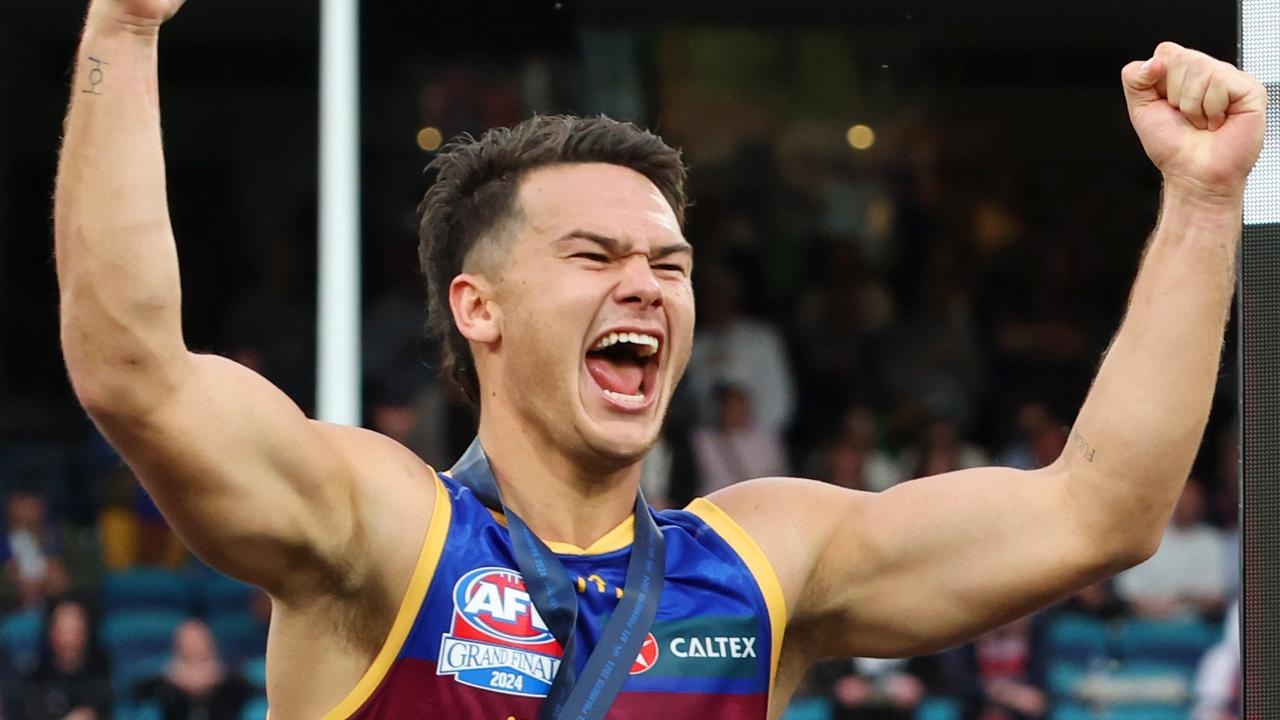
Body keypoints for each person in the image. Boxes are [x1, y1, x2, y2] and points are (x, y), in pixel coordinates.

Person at [52, 0, 1267, 716]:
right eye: (593, 255)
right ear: (477, 309)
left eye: (670, 263)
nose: (647, 282)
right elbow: (133, 369)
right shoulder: (380, 531)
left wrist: (1203, 203)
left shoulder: (763, 568)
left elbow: (1100, 510)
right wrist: (126, 22)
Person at [1115, 478, 1229, 620]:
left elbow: (1215, 599)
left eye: (1193, 502)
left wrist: (1183, 597)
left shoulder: (1211, 540)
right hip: (1146, 624)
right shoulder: (1146, 537)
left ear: (1201, 504)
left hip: (1195, 626)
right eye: (1183, 501)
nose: (1187, 506)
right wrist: (1159, 609)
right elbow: (1128, 595)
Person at [133, 621, 254, 720]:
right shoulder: (164, 678)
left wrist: (216, 679)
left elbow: (256, 692)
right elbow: (135, 693)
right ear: (178, 644)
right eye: (188, 640)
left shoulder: (230, 676)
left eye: (198, 639)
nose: (194, 645)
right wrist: (174, 679)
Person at [20, 597, 113, 720]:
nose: (69, 637)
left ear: (86, 631)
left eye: (75, 628)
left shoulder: (103, 672)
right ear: (51, 632)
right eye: (63, 628)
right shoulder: (35, 676)